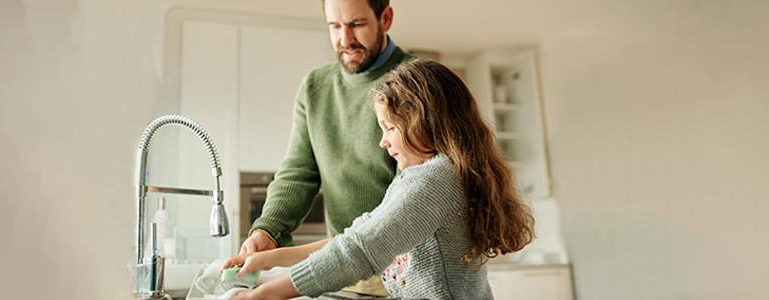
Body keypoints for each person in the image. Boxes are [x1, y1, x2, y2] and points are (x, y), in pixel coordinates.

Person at [225, 58, 537, 300]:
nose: (383, 142)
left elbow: (359, 251)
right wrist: (271, 259)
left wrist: (263, 294)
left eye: (389, 127)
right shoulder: (424, 175)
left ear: (421, 121)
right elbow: (358, 235)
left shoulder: (433, 181)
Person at [240, 0, 411, 294]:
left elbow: (408, 198)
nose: (345, 40)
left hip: (405, 276)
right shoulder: (315, 87)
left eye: (357, 24)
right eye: (335, 26)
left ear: (386, 18)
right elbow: (297, 173)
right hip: (343, 271)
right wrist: (268, 229)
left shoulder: (418, 82)